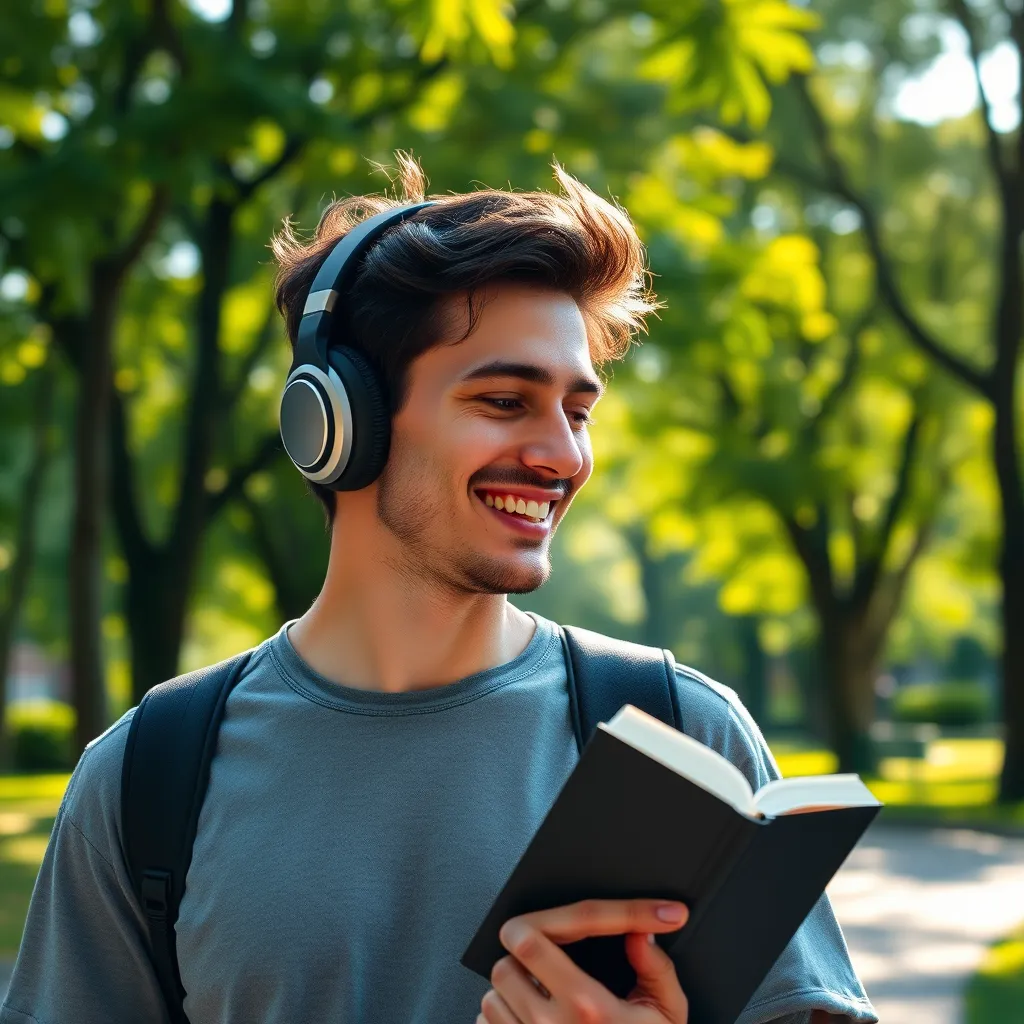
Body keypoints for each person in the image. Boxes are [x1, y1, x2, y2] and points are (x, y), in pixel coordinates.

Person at [1, 154, 877, 1024]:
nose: (564, 457)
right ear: (340, 422)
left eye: (578, 411)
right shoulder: (144, 777)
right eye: (504, 401)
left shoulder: (679, 737)